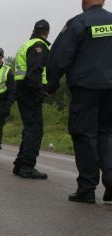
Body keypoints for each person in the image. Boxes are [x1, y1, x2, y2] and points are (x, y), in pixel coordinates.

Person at [46, 0, 112, 203]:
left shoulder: (78, 23)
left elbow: (60, 56)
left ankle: (87, 188)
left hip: (86, 88)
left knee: (84, 135)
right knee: (107, 134)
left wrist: (52, 83)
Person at [12, 19, 51, 179]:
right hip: (30, 92)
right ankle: (27, 167)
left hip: (23, 91)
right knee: (35, 130)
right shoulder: (39, 46)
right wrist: (41, 91)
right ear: (47, 32)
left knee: (29, 128)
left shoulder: (26, 45)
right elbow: (34, 72)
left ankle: (20, 164)